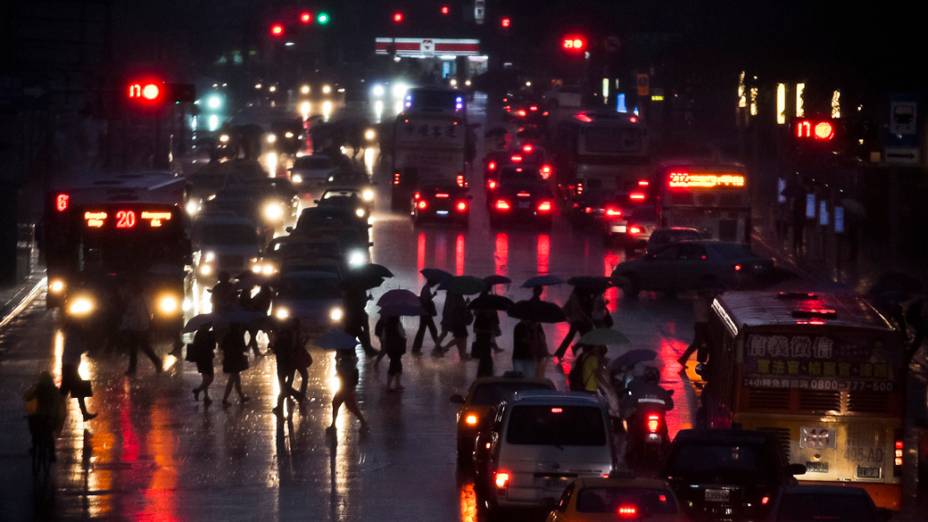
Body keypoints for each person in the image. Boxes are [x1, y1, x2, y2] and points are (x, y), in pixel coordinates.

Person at [119, 286, 163, 376]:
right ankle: (134, 368)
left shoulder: (140, 300)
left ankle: (155, 362)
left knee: (140, 347)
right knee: (137, 348)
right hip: (138, 326)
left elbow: (137, 314)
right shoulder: (140, 299)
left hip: (139, 327)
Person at [272, 318, 312, 416]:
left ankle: (294, 399)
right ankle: (296, 398)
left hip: (284, 364)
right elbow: (295, 347)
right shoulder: (292, 334)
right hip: (290, 364)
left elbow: (278, 349)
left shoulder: (284, 336)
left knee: (284, 386)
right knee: (288, 385)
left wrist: (274, 346)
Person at [60, 323, 98, 421]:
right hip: (70, 366)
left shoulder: (72, 334)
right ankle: (52, 412)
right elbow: (78, 349)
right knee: (77, 389)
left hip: (69, 365)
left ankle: (53, 411)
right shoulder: (74, 336)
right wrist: (87, 346)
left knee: (66, 391)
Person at [327, 349, 370, 433]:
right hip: (346, 388)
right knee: (343, 405)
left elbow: (344, 374)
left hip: (345, 388)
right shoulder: (348, 361)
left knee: (345, 405)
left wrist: (338, 366)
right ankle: (333, 425)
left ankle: (364, 423)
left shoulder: (346, 363)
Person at [24, 371, 64, 461]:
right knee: (49, 433)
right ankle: (52, 453)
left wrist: (33, 388)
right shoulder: (54, 390)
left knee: (35, 431)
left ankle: (35, 446)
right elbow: (59, 403)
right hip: (50, 416)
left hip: (39, 416)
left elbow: (27, 397)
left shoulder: (38, 389)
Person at [554, 288, 594, 359]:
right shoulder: (578, 297)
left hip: (575, 320)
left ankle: (560, 352)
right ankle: (584, 352)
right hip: (579, 320)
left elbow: (567, 307)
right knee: (584, 336)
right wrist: (586, 317)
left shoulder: (573, 296)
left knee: (570, 337)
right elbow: (578, 309)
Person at [678, 290, 712, 367]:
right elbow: (706, 313)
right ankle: (683, 358)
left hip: (699, 323)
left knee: (697, 343)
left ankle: (683, 359)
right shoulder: (702, 302)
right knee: (699, 343)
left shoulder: (697, 301)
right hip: (702, 324)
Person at [436, 291, 472, 360]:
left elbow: (455, 308)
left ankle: (462, 354)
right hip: (459, 321)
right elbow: (461, 308)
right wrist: (467, 304)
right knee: (460, 338)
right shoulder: (457, 297)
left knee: (462, 337)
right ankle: (445, 348)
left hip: (455, 320)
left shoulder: (451, 297)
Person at [187, 324, 217, 406]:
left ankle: (206, 397)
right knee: (210, 378)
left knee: (205, 378)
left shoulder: (198, 334)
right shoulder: (210, 334)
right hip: (207, 358)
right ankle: (198, 390)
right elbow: (213, 346)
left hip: (199, 358)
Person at [220, 324, 249, 406]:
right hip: (236, 360)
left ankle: (241, 396)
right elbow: (243, 348)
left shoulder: (227, 336)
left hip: (229, 359)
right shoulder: (239, 336)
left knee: (236, 379)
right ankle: (225, 399)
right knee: (232, 379)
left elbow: (222, 346)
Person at [344, 286, 377, 356]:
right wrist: (367, 298)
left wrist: (367, 298)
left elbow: (359, 302)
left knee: (355, 331)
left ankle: (366, 350)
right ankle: (368, 350)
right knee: (358, 331)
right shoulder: (359, 290)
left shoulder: (351, 290)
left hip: (354, 313)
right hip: (357, 313)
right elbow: (361, 303)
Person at [242, 283, 272, 356]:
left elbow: (253, 303)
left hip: (257, 316)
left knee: (253, 334)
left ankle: (249, 349)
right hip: (258, 316)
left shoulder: (261, 296)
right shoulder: (266, 296)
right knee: (254, 334)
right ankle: (253, 350)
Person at [411, 281, 440, 354]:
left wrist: (433, 295)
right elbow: (426, 300)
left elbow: (426, 299)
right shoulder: (426, 289)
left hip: (425, 313)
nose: (435, 284)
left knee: (425, 330)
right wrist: (433, 295)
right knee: (431, 330)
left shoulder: (426, 288)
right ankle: (437, 347)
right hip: (426, 313)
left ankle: (416, 348)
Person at [382, 315, 407, 391]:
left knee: (396, 363)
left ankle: (396, 384)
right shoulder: (397, 324)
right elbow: (402, 334)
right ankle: (390, 385)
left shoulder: (386, 325)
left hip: (390, 347)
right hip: (397, 347)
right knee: (395, 364)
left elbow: (383, 337)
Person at [472, 306, 497, 377]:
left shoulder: (490, 319)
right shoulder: (480, 318)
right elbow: (475, 330)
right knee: (484, 358)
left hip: (486, 342)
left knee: (486, 358)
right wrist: (487, 331)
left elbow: (495, 332)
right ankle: (485, 374)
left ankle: (486, 374)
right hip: (481, 341)